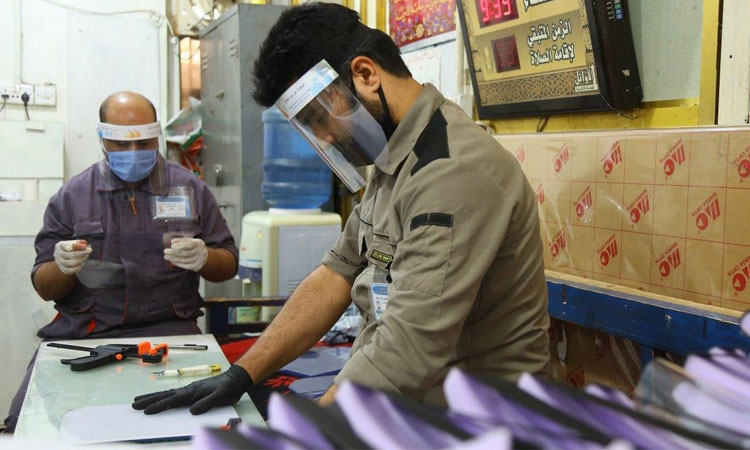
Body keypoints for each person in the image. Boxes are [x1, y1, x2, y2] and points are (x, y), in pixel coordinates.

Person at [132, 3, 549, 416]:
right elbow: (334, 275)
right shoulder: (396, 159)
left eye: (319, 117)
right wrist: (243, 373)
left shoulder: (452, 171)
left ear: (365, 75)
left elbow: (407, 350)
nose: (325, 138)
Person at [4, 92, 238, 431]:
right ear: (102, 138)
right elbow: (44, 286)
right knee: (26, 427)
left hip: (170, 333)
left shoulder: (190, 189)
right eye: (121, 144)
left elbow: (228, 264)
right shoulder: (74, 196)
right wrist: (63, 267)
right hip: (85, 335)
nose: (133, 153)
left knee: (197, 425)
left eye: (143, 143)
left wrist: (205, 257)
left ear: (156, 135)